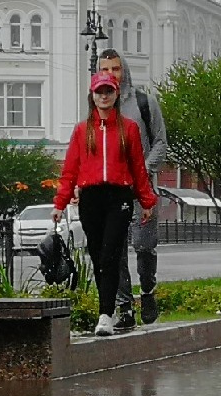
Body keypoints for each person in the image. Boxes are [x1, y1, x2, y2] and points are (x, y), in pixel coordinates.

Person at [54, 72, 158, 336]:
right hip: (91, 199)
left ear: (116, 95)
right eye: (99, 92)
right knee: (99, 256)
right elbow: (69, 170)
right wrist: (60, 203)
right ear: (92, 96)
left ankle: (105, 314)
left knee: (111, 254)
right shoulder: (81, 130)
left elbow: (138, 168)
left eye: (108, 92)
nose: (104, 96)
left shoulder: (128, 129)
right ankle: (107, 309)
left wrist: (147, 201)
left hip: (119, 198)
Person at [98, 50, 168, 329]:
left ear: (124, 71)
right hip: (111, 191)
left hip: (142, 191)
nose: (111, 74)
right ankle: (124, 307)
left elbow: (161, 142)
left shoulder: (143, 103)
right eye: (105, 69)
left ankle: (148, 291)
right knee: (114, 249)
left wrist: (143, 170)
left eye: (115, 69)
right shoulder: (97, 106)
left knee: (144, 246)